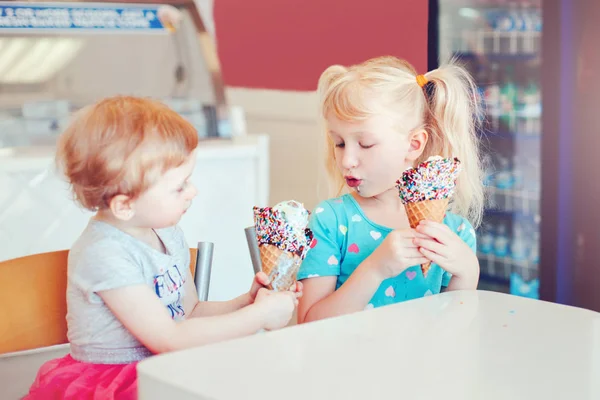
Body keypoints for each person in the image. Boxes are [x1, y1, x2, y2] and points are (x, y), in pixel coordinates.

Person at [26, 96, 300, 399]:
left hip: (164, 365)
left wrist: (246, 303)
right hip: (114, 382)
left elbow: (190, 313)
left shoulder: (167, 233)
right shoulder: (103, 254)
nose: (192, 191)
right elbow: (169, 339)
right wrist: (259, 317)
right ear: (125, 205)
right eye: (179, 186)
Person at [297, 56, 483, 323]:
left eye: (366, 144)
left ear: (414, 145)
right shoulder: (331, 221)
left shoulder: (455, 233)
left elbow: (454, 331)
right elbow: (307, 324)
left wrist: (467, 273)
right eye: (338, 143)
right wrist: (374, 269)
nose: (346, 160)